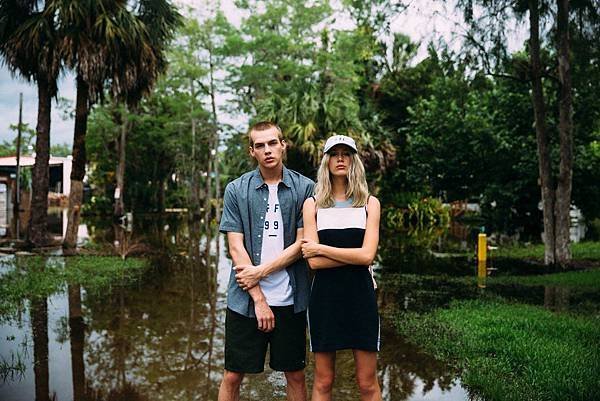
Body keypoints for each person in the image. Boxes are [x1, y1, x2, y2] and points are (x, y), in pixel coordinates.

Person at [217, 121, 314, 401]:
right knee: (233, 374)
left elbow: (302, 244)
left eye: (273, 143)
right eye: (260, 145)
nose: (267, 150)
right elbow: (236, 248)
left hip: (290, 298)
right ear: (252, 151)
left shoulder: (304, 188)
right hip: (246, 301)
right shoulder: (236, 190)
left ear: (283, 145)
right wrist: (259, 298)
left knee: (295, 374)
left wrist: (260, 272)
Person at [301, 135, 382, 401]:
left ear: (354, 160)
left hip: (361, 298)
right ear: (326, 161)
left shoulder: (370, 204)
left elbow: (367, 256)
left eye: (345, 154)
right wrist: (351, 256)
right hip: (325, 298)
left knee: (367, 382)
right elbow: (313, 263)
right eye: (334, 154)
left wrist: (322, 248)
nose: (340, 158)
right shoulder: (312, 205)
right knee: (324, 381)